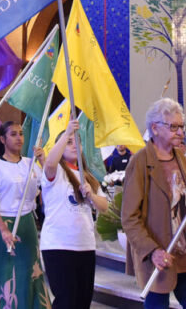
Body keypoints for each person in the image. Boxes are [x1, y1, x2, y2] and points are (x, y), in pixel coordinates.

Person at [121, 98, 186, 309]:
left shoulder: (182, 157)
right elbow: (129, 218)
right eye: (173, 127)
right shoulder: (140, 162)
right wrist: (152, 251)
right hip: (159, 258)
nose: (180, 132)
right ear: (155, 128)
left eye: (181, 126)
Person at [0, 120, 50, 309]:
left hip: (27, 223)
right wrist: (3, 230)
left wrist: (43, 161)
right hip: (3, 223)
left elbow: (49, 184)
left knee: (29, 271)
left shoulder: (30, 164)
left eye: (21, 133)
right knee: (5, 273)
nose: (19, 138)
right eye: (13, 134)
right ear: (3, 139)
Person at [41, 119, 109, 309]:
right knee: (66, 301)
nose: (74, 145)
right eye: (69, 142)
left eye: (77, 142)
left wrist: (91, 196)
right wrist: (67, 133)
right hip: (59, 245)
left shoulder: (88, 176)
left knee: (82, 301)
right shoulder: (55, 172)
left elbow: (104, 206)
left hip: (85, 245)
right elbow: (49, 162)